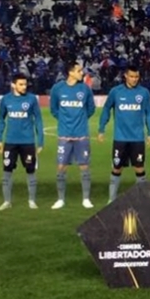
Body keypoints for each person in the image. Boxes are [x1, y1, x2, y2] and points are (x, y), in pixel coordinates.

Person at [98, 65, 150, 204]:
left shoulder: (144, 93)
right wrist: (101, 129)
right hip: (120, 138)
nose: (134, 79)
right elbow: (106, 109)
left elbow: (149, 113)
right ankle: (111, 199)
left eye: (136, 77)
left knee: (139, 168)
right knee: (117, 168)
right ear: (125, 76)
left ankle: (142, 199)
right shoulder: (116, 92)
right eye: (132, 76)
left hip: (137, 138)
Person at [49, 62, 96, 209]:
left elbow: (91, 109)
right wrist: (64, 121)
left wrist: (80, 120)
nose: (82, 73)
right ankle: (61, 199)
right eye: (79, 70)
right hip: (64, 135)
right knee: (61, 166)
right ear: (70, 72)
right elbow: (54, 109)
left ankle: (86, 199)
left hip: (81, 134)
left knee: (84, 166)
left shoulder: (85, 89)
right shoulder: (58, 89)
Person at [0, 73, 44, 210]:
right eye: (21, 84)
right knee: (7, 171)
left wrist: (40, 140)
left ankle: (32, 201)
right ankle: (7, 202)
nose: (24, 87)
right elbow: (0, 119)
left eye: (25, 84)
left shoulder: (32, 99)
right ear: (13, 85)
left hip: (27, 141)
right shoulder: (6, 100)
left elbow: (38, 120)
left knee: (30, 170)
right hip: (10, 142)